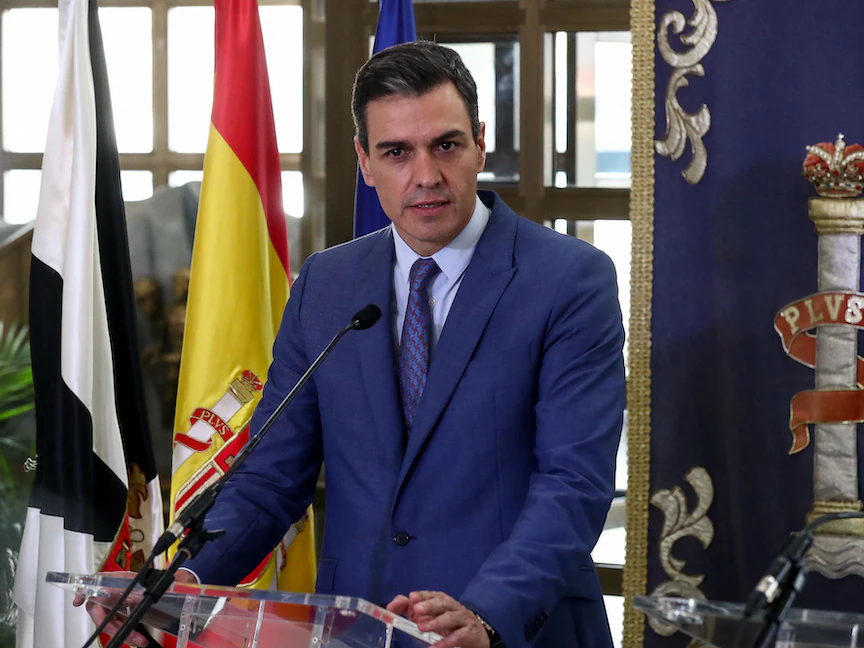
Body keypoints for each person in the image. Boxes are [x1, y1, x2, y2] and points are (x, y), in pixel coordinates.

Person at [82, 40, 625, 648]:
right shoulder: (327, 284)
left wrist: (488, 613)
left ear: (479, 143)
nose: (426, 175)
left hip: (515, 629)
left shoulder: (570, 279)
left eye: (446, 145)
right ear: (365, 162)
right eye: (397, 152)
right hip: (357, 629)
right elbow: (269, 478)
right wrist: (180, 584)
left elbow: (573, 482)